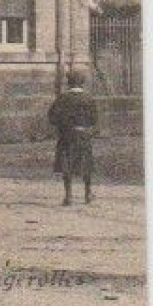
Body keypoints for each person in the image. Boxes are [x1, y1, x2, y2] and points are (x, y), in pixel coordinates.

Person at [49, 68, 99, 206]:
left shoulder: (62, 98)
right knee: (86, 164)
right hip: (83, 134)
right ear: (82, 83)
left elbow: (52, 117)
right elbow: (94, 119)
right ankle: (88, 194)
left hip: (67, 135)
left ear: (68, 83)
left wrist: (62, 125)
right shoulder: (89, 99)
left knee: (67, 164)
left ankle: (68, 196)